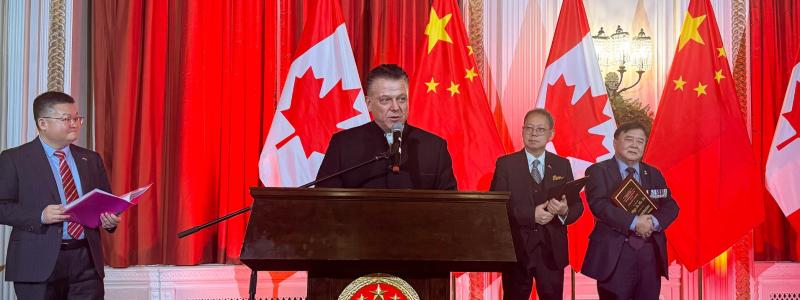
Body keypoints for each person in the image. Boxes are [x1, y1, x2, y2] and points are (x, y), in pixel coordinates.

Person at [0, 91, 120, 299]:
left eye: (77, 118)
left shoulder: (90, 159)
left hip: (86, 261)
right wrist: (40, 215)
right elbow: (2, 206)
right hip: (37, 262)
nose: (74, 124)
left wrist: (109, 220)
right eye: (66, 119)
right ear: (43, 123)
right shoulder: (15, 159)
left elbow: (105, 202)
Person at [490, 108, 584, 300]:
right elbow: (496, 207)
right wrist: (531, 215)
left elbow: (577, 205)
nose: (533, 133)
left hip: (552, 252)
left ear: (551, 134)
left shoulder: (562, 165)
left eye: (540, 129)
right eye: (529, 128)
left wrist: (564, 210)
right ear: (522, 130)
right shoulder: (506, 164)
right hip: (517, 250)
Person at [316, 64, 457, 190]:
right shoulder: (343, 144)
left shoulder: (434, 147)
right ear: (369, 104)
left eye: (401, 99)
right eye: (385, 100)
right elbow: (323, 201)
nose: (395, 107)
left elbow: (449, 205)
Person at [581, 122, 679, 299]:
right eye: (629, 139)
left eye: (640, 141)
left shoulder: (654, 173)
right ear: (615, 142)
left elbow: (670, 205)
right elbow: (599, 206)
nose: (634, 145)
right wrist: (635, 223)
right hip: (615, 255)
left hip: (650, 255)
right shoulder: (598, 171)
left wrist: (653, 222)